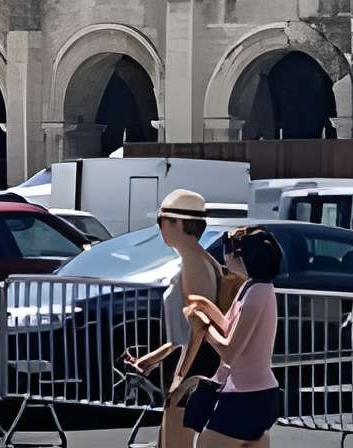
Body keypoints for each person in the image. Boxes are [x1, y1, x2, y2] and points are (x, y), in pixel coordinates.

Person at [121, 190, 223, 448]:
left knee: (174, 442)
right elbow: (184, 332)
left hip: (196, 368)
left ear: (179, 223)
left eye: (161, 220)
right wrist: (151, 360)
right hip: (198, 365)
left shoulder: (192, 262)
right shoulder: (199, 258)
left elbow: (198, 327)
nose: (159, 228)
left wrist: (181, 376)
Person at [183, 226, 286, 448]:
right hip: (254, 394)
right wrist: (205, 307)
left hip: (247, 397)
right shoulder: (251, 287)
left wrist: (203, 327)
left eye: (232, 251)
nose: (227, 256)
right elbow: (229, 326)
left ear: (244, 258)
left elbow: (230, 352)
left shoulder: (256, 295)